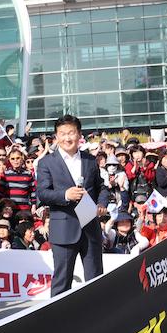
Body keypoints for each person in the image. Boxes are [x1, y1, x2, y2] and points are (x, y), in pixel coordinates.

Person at [36, 115, 110, 296]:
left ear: (79, 135)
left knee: (95, 278)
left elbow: (101, 187)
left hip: (90, 223)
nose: (67, 138)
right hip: (64, 226)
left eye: (71, 133)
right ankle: (58, 322)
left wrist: (101, 204)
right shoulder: (47, 162)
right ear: (56, 136)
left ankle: (97, 320)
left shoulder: (89, 160)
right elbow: (42, 193)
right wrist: (65, 195)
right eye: (62, 134)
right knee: (62, 280)